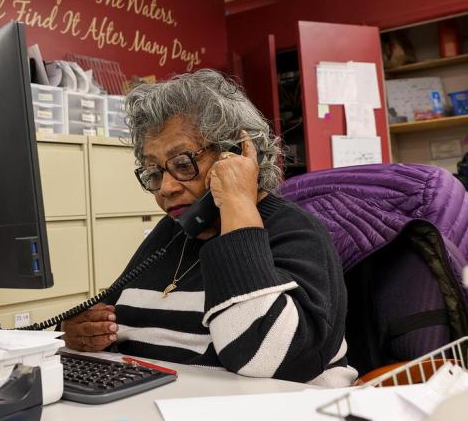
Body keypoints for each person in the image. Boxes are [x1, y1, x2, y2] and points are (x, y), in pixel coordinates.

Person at [61, 70, 357, 387]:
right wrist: (78, 334)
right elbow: (114, 318)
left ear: (235, 154)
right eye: (154, 172)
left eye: (184, 164)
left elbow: (266, 359)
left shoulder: (298, 232)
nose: (166, 188)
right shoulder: (172, 233)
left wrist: (237, 205)